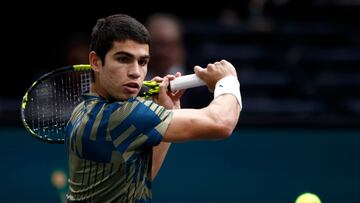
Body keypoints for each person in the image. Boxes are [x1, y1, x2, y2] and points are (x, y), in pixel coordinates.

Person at [65, 14, 242, 202]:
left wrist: (168, 110)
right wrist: (228, 80)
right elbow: (221, 122)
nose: (135, 72)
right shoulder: (122, 115)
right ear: (95, 61)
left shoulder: (82, 110)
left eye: (142, 62)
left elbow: (141, 177)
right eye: (124, 59)